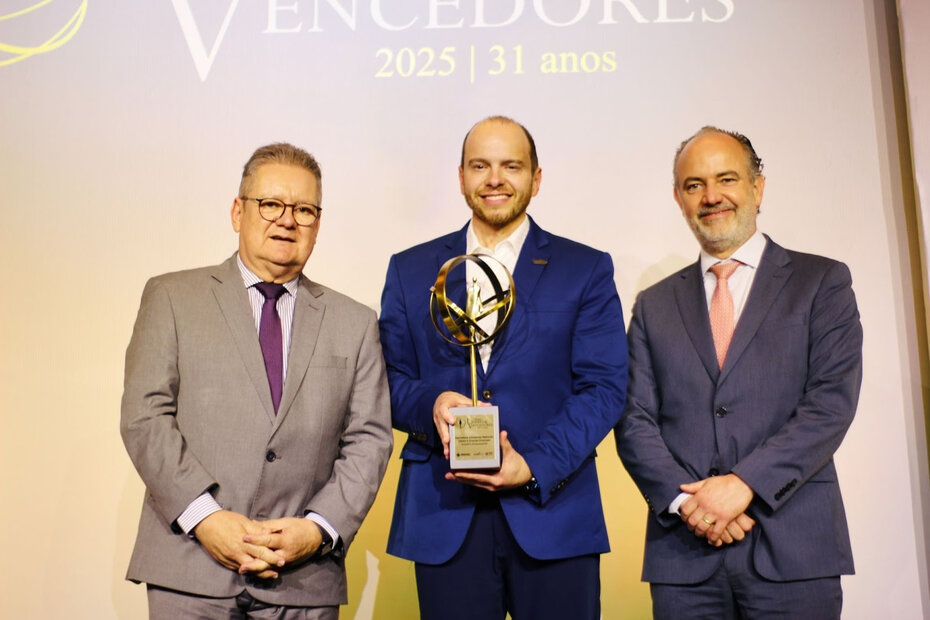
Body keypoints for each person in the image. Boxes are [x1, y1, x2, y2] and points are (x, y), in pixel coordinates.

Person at [120, 143, 393, 619]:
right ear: (237, 211)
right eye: (271, 204)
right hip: (191, 569)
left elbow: (369, 440)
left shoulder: (355, 322)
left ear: (318, 223)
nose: (287, 220)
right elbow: (145, 417)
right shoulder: (171, 297)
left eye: (304, 210)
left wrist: (318, 528)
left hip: (303, 578)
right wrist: (205, 519)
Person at [378, 116, 628, 620]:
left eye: (511, 166)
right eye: (480, 166)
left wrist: (533, 465)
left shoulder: (585, 268)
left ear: (536, 178)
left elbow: (603, 387)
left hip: (553, 511)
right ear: (461, 176)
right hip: (445, 512)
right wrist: (432, 404)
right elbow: (388, 380)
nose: (495, 179)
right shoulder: (410, 269)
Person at [617, 126, 862, 619]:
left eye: (726, 179)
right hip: (685, 560)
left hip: (794, 551)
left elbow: (829, 404)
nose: (711, 197)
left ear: (758, 187)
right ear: (678, 198)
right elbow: (633, 419)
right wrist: (689, 506)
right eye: (694, 185)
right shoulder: (653, 304)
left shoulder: (822, 282)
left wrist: (743, 484)